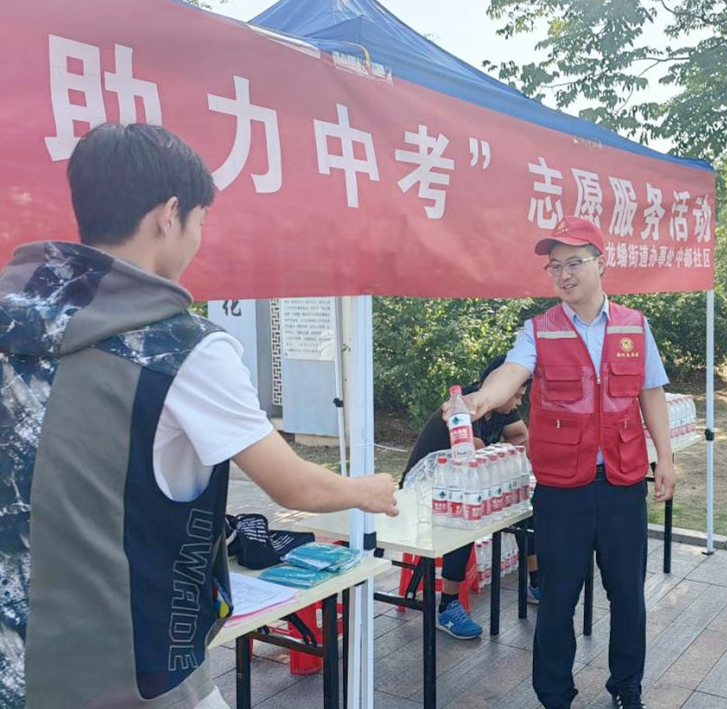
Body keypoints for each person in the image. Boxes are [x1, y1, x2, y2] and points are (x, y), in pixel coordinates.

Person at [0, 123, 398, 709]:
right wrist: (368, 490)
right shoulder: (183, 348)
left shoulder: (12, 327)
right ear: (169, 216)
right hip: (133, 670)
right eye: (200, 223)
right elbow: (296, 486)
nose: (197, 241)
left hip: (17, 663)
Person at [450, 216, 675, 709]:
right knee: (557, 597)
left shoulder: (635, 326)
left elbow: (650, 393)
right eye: (555, 266)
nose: (563, 274)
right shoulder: (539, 330)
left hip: (622, 483)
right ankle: (554, 695)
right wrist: (481, 399)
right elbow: (512, 373)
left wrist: (666, 459)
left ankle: (627, 687)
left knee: (628, 595)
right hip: (562, 488)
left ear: (601, 263)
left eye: (574, 263)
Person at [400, 355, 538, 640]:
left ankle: (536, 584)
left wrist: (502, 454)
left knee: (528, 508)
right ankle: (447, 607)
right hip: (422, 492)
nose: (518, 404)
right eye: (517, 396)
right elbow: (470, 449)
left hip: (460, 488)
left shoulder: (501, 409)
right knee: (463, 524)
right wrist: (498, 451)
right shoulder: (462, 407)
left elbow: (521, 437)